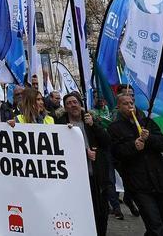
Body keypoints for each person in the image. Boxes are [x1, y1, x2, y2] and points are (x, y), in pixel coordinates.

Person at [107, 93, 163, 236]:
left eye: (131, 102)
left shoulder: (147, 123)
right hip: (138, 182)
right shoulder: (114, 128)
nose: (130, 105)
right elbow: (115, 153)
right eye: (125, 103)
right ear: (118, 107)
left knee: (161, 219)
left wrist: (149, 138)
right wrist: (133, 147)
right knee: (154, 222)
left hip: (158, 179)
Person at [61, 92, 111, 235]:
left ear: (80, 104)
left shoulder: (91, 120)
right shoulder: (61, 124)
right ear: (65, 107)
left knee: (101, 212)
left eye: (74, 102)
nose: (72, 105)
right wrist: (83, 152)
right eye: (69, 103)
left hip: (96, 175)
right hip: (75, 180)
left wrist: (94, 125)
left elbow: (107, 142)